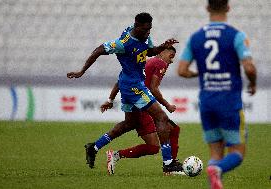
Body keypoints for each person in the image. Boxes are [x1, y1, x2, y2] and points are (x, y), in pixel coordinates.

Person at [67, 13, 179, 174]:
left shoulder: (145, 36)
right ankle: (168, 163)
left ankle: (94, 146)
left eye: (150, 29)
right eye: (146, 29)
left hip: (127, 84)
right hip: (134, 87)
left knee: (129, 124)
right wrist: (81, 71)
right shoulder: (123, 44)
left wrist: (162, 46)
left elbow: (150, 51)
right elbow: (98, 50)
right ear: (137, 26)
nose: (148, 33)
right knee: (161, 117)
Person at [177, 0, 257, 188]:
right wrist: (252, 83)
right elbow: (250, 68)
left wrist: (201, 73)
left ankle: (215, 175)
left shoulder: (195, 38)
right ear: (228, 8)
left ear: (207, 8)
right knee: (237, 153)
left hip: (207, 103)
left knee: (215, 154)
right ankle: (217, 170)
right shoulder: (236, 36)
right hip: (229, 103)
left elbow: (181, 70)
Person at [100, 46, 183, 175]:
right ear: (162, 52)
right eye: (171, 56)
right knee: (155, 144)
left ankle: (170, 164)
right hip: (144, 107)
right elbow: (153, 88)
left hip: (140, 104)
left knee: (167, 134)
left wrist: (111, 99)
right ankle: (169, 166)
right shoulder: (160, 63)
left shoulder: (149, 62)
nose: (171, 61)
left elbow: (121, 81)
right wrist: (167, 105)